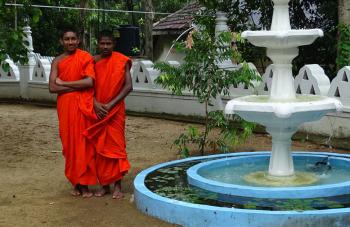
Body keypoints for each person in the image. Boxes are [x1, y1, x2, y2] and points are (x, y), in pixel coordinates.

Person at [49, 27, 97, 198]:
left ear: (78, 40)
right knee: (69, 145)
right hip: (65, 108)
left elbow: (89, 82)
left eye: (73, 39)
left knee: (83, 144)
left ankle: (84, 185)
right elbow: (52, 87)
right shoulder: (57, 61)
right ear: (61, 41)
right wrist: (70, 85)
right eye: (67, 39)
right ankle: (75, 182)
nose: (70, 42)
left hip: (82, 106)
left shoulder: (85, 57)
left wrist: (64, 84)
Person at [84, 30, 132, 199]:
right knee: (99, 148)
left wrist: (111, 104)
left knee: (116, 147)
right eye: (102, 43)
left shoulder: (122, 60)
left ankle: (117, 186)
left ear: (114, 44)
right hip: (97, 111)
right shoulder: (93, 61)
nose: (105, 46)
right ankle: (104, 185)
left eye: (108, 43)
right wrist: (95, 103)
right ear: (97, 43)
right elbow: (87, 85)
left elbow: (128, 86)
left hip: (115, 110)